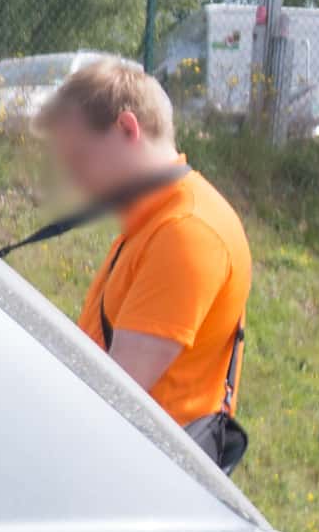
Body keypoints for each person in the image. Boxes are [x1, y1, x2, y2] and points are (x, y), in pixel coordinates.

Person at [36, 55, 255, 471]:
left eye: (81, 160)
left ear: (126, 129)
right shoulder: (156, 219)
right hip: (128, 470)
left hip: (144, 480)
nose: (77, 181)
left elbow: (114, 396)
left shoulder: (185, 231)